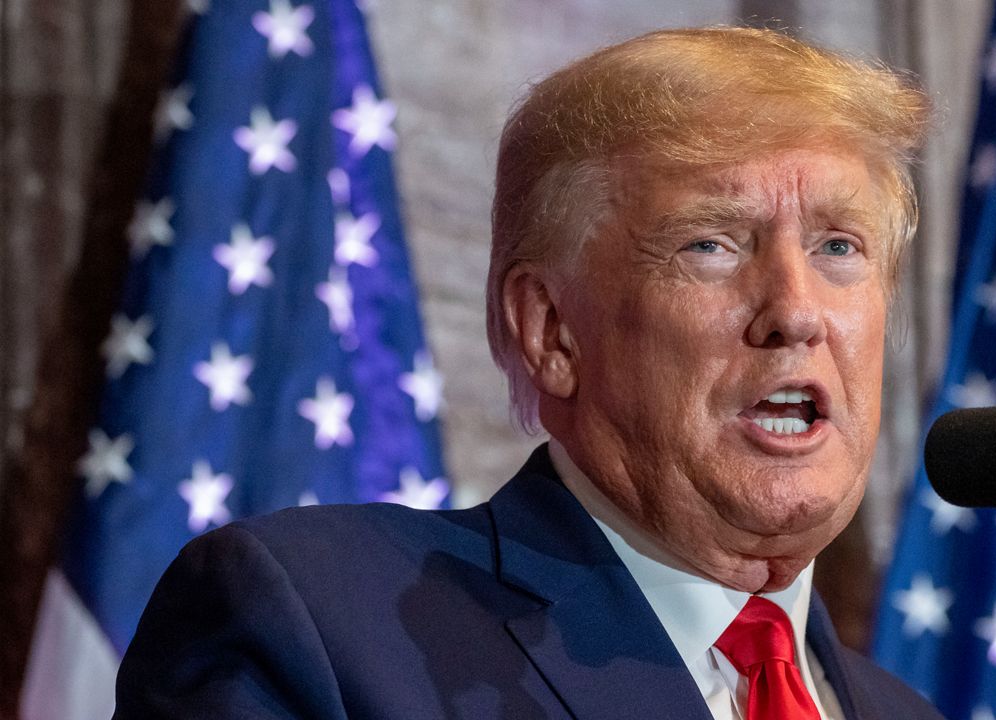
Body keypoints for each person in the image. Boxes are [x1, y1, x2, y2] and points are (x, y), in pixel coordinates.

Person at [115, 26, 940, 719]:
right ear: (550, 331)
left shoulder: (905, 711)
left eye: (839, 246)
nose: (795, 313)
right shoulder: (321, 627)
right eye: (712, 244)